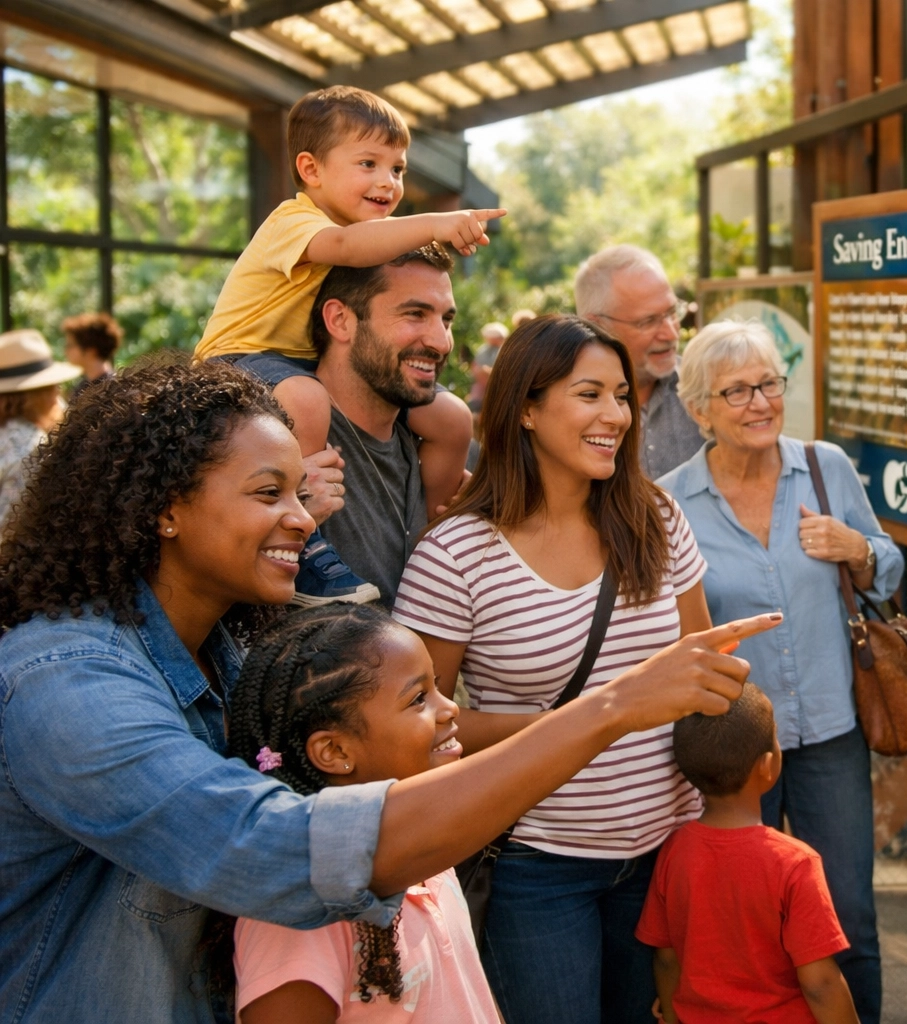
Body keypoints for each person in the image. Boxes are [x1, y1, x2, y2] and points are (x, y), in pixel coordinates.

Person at [0, 359, 780, 1023]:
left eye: (301, 493)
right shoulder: (67, 685)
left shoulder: (231, 646)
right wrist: (612, 708)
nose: (302, 520)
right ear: (165, 509)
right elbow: (281, 850)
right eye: (269, 493)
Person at [391, 314, 712, 1024]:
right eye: (590, 394)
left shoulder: (656, 519)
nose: (615, 415)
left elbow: (704, 669)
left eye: (623, 395)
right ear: (528, 409)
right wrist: (576, 724)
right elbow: (417, 728)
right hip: (536, 866)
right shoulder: (456, 556)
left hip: (667, 854)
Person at [658, 320, 901, 1024]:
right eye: (737, 391)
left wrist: (858, 548)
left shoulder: (824, 469)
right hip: (730, 743)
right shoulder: (670, 501)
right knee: (743, 921)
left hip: (829, 729)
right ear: (700, 408)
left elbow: (888, 570)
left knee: (846, 914)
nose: (760, 402)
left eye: (769, 384)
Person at [194, 85, 499, 602]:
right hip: (236, 363)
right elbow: (348, 248)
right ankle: (310, 546)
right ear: (311, 170)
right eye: (368, 164)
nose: (387, 182)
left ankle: (443, 545)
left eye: (398, 169)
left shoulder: (355, 236)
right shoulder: (297, 223)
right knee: (309, 398)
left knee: (449, 419)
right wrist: (439, 224)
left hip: (291, 363)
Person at [225, 604, 497, 1024]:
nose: (450, 709)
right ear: (334, 751)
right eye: (419, 699)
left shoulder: (421, 850)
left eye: (440, 688)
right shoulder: (296, 919)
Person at [239, 245, 450, 607]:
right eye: (415, 314)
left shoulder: (436, 445)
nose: (441, 341)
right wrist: (283, 506)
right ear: (340, 320)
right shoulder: (268, 440)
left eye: (447, 320)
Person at [638, 683, 859, 1024]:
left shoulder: (674, 850)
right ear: (767, 765)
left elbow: (666, 959)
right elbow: (820, 983)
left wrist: (671, 1012)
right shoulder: (795, 863)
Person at [574, 245, 702, 478]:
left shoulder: (706, 388)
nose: (671, 333)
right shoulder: (561, 407)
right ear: (597, 325)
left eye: (672, 313)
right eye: (648, 321)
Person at [0, 328, 77, 525]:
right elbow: (10, 528)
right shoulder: (29, 446)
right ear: (38, 393)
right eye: (53, 385)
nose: (58, 390)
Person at [61, 311, 121, 395]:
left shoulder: (115, 389)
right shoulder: (81, 389)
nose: (66, 350)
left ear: (91, 351)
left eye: (70, 345)